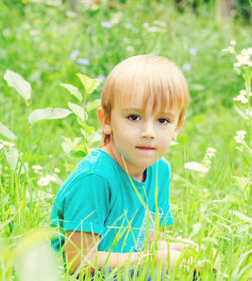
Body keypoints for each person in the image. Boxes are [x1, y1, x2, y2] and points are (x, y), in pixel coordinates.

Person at [50, 55, 190, 279]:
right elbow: (79, 263)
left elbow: (151, 241)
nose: (148, 132)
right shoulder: (95, 176)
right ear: (106, 121)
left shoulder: (159, 171)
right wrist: (152, 259)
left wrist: (179, 253)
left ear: (177, 127)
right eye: (134, 117)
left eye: (163, 120)